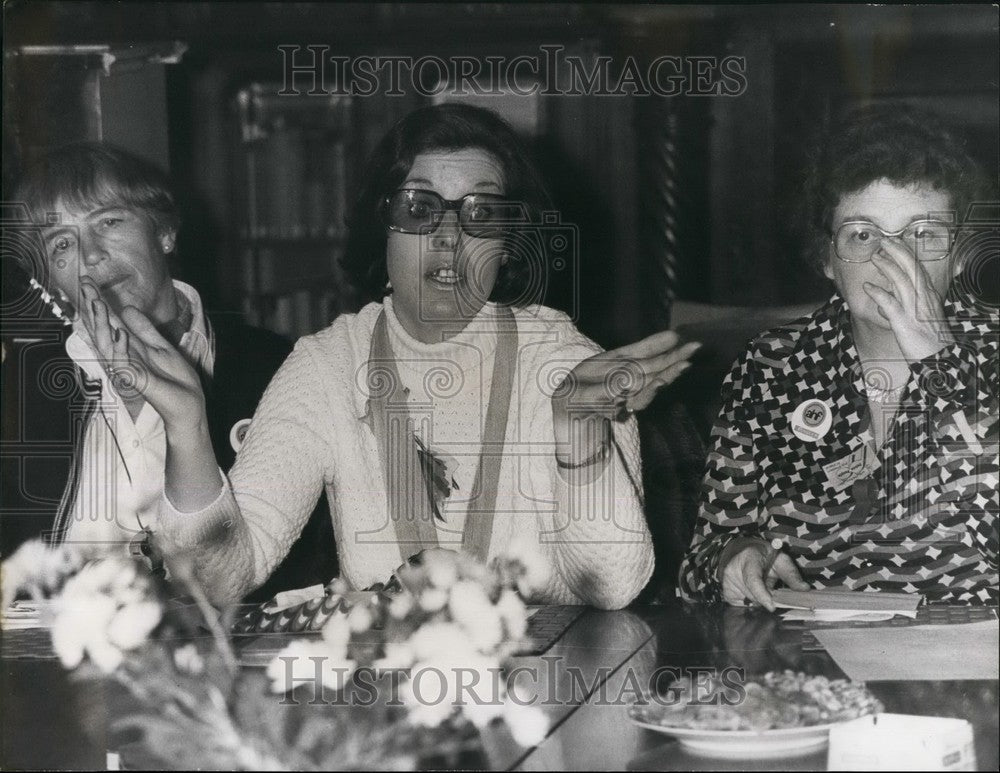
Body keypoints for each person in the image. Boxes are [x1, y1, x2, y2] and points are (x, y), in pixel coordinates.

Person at [80, 104, 701, 608]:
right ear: (383, 228)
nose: (450, 236)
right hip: (389, 706)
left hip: (546, 698)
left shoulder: (565, 361)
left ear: (511, 244)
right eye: (419, 208)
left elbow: (613, 586)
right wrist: (187, 429)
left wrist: (579, 431)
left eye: (482, 213)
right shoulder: (327, 364)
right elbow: (217, 580)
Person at [678, 103, 998, 607]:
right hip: (812, 659)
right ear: (827, 258)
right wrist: (734, 556)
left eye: (923, 234)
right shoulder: (772, 368)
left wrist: (942, 364)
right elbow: (700, 564)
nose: (892, 259)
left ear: (959, 257)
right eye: (863, 234)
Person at [2, 143, 336, 600]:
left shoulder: (276, 368)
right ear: (51, 280)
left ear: (164, 233)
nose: (91, 255)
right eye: (62, 243)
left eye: (109, 222)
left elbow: (311, 563)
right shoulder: (16, 389)